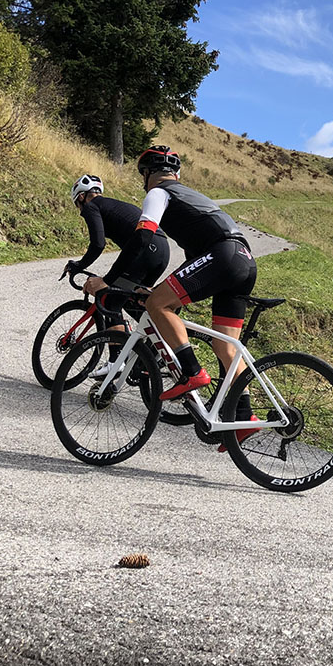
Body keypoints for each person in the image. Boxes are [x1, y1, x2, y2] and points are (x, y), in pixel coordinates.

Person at [128, 146, 259, 443]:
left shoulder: (159, 192)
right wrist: (163, 290)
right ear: (176, 173)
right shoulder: (193, 199)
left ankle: (191, 372)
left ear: (147, 174)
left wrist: (112, 279)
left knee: (157, 305)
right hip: (245, 259)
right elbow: (192, 268)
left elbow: (143, 235)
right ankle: (245, 415)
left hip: (224, 256)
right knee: (225, 345)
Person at [65, 174, 171, 374]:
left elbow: (98, 244)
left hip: (144, 251)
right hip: (161, 251)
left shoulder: (92, 206)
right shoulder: (112, 204)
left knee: (109, 300)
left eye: (78, 205)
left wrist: (79, 265)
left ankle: (116, 361)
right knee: (133, 301)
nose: (80, 210)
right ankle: (159, 348)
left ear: (81, 197)